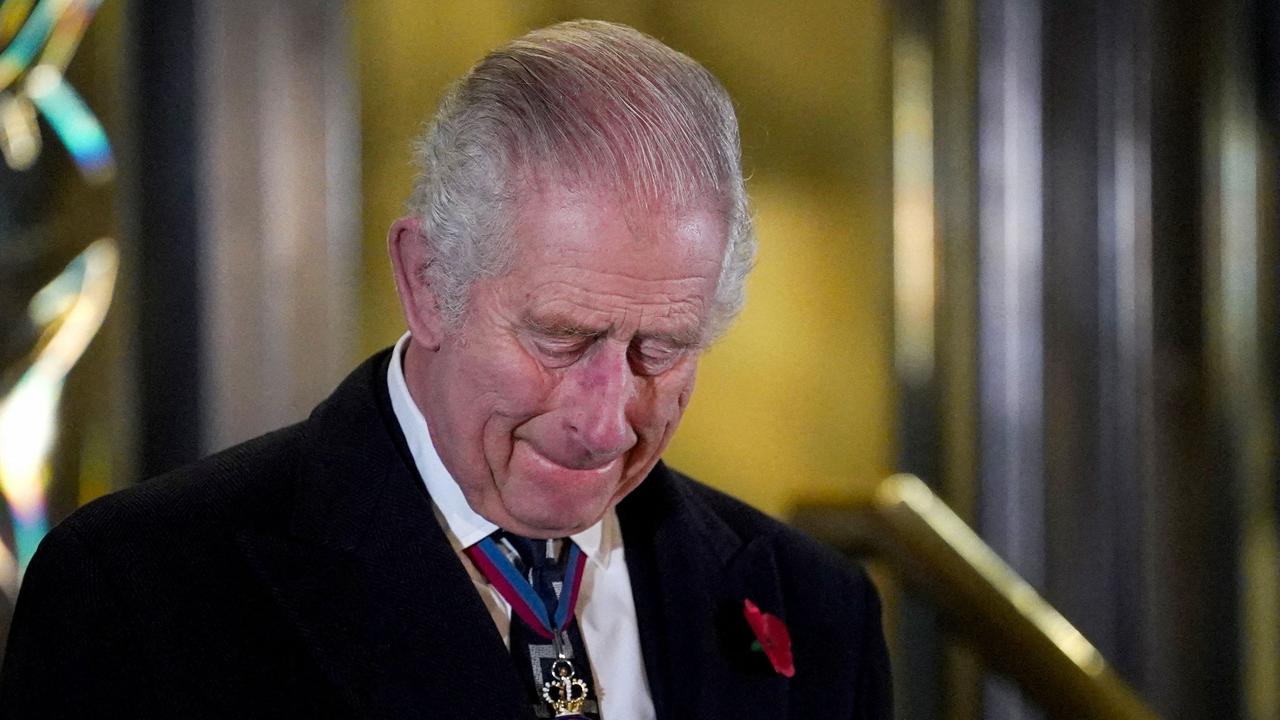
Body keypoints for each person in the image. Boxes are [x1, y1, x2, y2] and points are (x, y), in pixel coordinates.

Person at [0, 19, 890, 719]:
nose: (606, 421)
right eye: (561, 338)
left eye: (660, 350)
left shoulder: (815, 609)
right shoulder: (140, 591)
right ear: (428, 284)